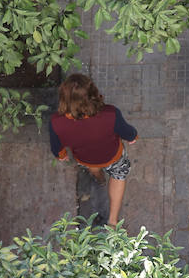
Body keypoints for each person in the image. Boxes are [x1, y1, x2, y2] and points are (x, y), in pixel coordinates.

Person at [48, 73, 137, 226]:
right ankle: (113, 220)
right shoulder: (110, 114)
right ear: (92, 94)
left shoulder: (56, 122)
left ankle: (99, 178)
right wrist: (133, 138)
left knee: (93, 167)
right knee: (118, 175)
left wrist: (62, 155)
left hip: (85, 158)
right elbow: (129, 133)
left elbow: (57, 148)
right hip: (113, 156)